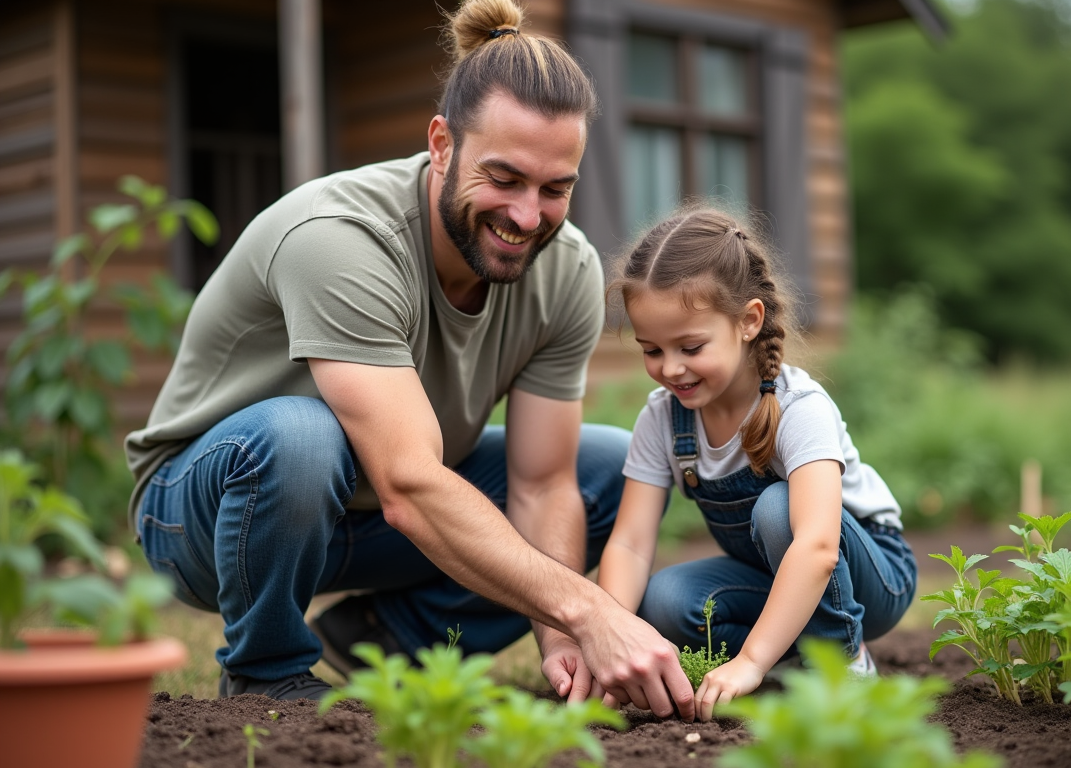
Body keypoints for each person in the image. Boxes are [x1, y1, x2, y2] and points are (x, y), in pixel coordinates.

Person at [124, 0, 695, 717]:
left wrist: (560, 638)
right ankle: (266, 672)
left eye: (556, 190)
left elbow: (544, 486)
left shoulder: (566, 271)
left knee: (606, 469)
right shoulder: (341, 238)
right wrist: (591, 610)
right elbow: (409, 482)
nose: (527, 217)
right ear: (442, 144)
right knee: (303, 437)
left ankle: (387, 641)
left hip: (366, 516)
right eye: (505, 178)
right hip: (207, 513)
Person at [597, 206, 918, 721]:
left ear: (748, 322)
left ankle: (844, 664)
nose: (670, 368)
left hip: (871, 574)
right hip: (768, 574)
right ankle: (790, 657)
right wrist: (607, 637)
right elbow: (631, 543)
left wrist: (747, 660)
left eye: (691, 346)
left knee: (777, 506)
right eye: (651, 349)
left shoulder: (799, 408)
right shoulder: (663, 418)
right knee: (667, 601)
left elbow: (816, 546)